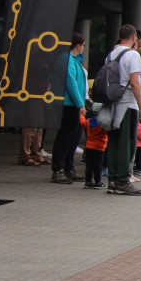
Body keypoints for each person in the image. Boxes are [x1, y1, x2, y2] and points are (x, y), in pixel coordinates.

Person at [102, 25, 141, 195]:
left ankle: (112, 179)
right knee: (127, 144)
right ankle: (123, 180)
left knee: (113, 142)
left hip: (113, 103)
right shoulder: (132, 55)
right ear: (134, 37)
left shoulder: (111, 55)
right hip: (128, 104)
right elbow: (135, 82)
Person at [51, 33, 87, 184]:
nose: (84, 48)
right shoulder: (66, 59)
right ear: (78, 45)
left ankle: (68, 167)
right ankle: (58, 169)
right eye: (83, 45)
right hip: (68, 104)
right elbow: (71, 83)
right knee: (65, 137)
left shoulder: (74, 60)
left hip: (74, 104)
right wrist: (80, 104)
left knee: (73, 137)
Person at [83, 102, 108, 189]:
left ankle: (88, 181)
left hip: (89, 146)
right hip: (99, 147)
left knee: (89, 165)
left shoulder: (88, 121)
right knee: (98, 165)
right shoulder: (103, 124)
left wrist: (81, 115)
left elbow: (82, 122)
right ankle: (98, 181)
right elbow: (107, 131)